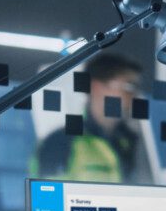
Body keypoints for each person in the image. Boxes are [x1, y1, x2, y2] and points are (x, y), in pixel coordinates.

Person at [30, 52, 151, 183]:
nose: (135, 96)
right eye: (129, 87)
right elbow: (48, 198)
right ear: (97, 87)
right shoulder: (61, 142)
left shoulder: (132, 143)